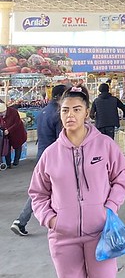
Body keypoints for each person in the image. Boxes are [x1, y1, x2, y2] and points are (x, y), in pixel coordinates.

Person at [29, 85, 125, 278]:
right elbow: (38, 193)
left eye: (76, 109)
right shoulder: (51, 155)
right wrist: (51, 219)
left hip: (101, 233)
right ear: (59, 114)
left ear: (87, 112)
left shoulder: (105, 147)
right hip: (63, 237)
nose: (70, 115)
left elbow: (122, 176)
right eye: (65, 110)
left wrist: (109, 208)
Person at [11, 84, 67, 236]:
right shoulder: (58, 114)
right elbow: (62, 140)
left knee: (42, 189)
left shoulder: (43, 112)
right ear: (61, 96)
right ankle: (23, 220)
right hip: (55, 157)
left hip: (41, 154)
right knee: (49, 189)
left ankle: (22, 221)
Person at [0, 100, 27, 168]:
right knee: (7, 147)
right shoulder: (1, 114)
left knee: (18, 146)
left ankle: (16, 162)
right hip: (6, 133)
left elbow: (17, 123)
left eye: (2, 113)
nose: (1, 115)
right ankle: (8, 164)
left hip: (17, 132)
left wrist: (9, 130)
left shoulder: (13, 112)